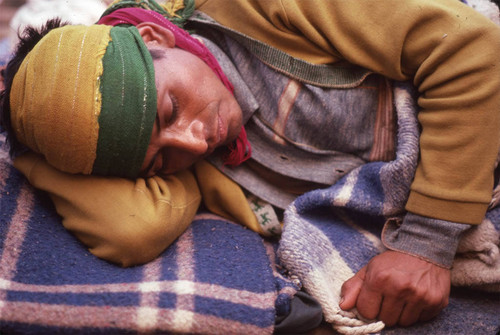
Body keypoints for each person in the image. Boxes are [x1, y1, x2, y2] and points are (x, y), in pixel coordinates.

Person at [1, 0, 500, 329]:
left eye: (170, 108)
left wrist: (427, 243)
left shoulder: (263, 10)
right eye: (159, 159)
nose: (195, 143)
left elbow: (469, 46)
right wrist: (33, 158)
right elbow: (129, 229)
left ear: (156, 37)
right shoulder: (187, 167)